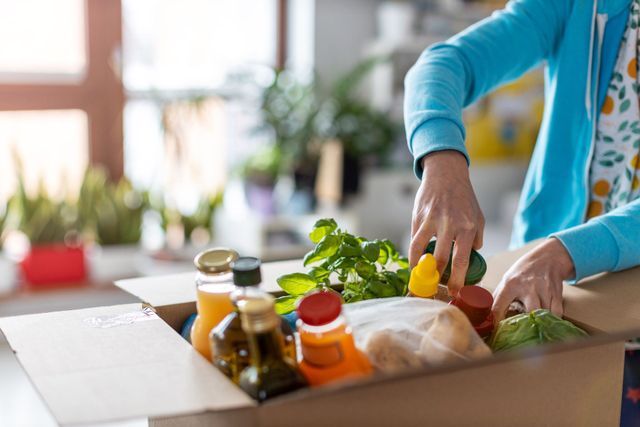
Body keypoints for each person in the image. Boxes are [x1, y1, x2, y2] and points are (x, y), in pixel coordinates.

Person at [405, 0, 640, 323]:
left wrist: (568, 252)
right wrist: (443, 161)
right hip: (544, 291)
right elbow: (442, 65)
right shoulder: (579, 6)